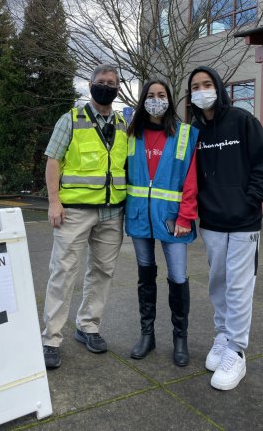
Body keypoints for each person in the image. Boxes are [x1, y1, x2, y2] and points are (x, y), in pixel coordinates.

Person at [42, 63, 128, 368]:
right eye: (101, 81)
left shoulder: (122, 124)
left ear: (118, 88)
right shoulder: (71, 119)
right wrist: (54, 202)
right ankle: (51, 338)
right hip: (74, 212)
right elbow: (53, 162)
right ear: (90, 85)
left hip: (111, 213)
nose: (106, 85)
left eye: (112, 82)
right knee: (63, 273)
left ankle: (88, 326)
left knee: (102, 272)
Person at [188, 66, 263, 390]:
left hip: (244, 221)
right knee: (218, 283)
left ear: (218, 87)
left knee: (238, 287)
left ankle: (237, 350)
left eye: (207, 84)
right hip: (213, 222)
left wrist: (252, 200)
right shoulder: (194, 131)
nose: (202, 89)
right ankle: (222, 336)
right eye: (196, 86)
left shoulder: (243, 121)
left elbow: (261, 163)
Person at [125, 80, 198, 367]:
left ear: (169, 99)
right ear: (143, 100)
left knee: (178, 278)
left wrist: (186, 216)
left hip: (173, 220)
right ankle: (147, 334)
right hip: (139, 217)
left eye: (161, 95)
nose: (156, 100)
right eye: (151, 96)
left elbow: (192, 180)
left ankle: (180, 338)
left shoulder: (186, 135)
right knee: (145, 276)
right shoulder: (131, 136)